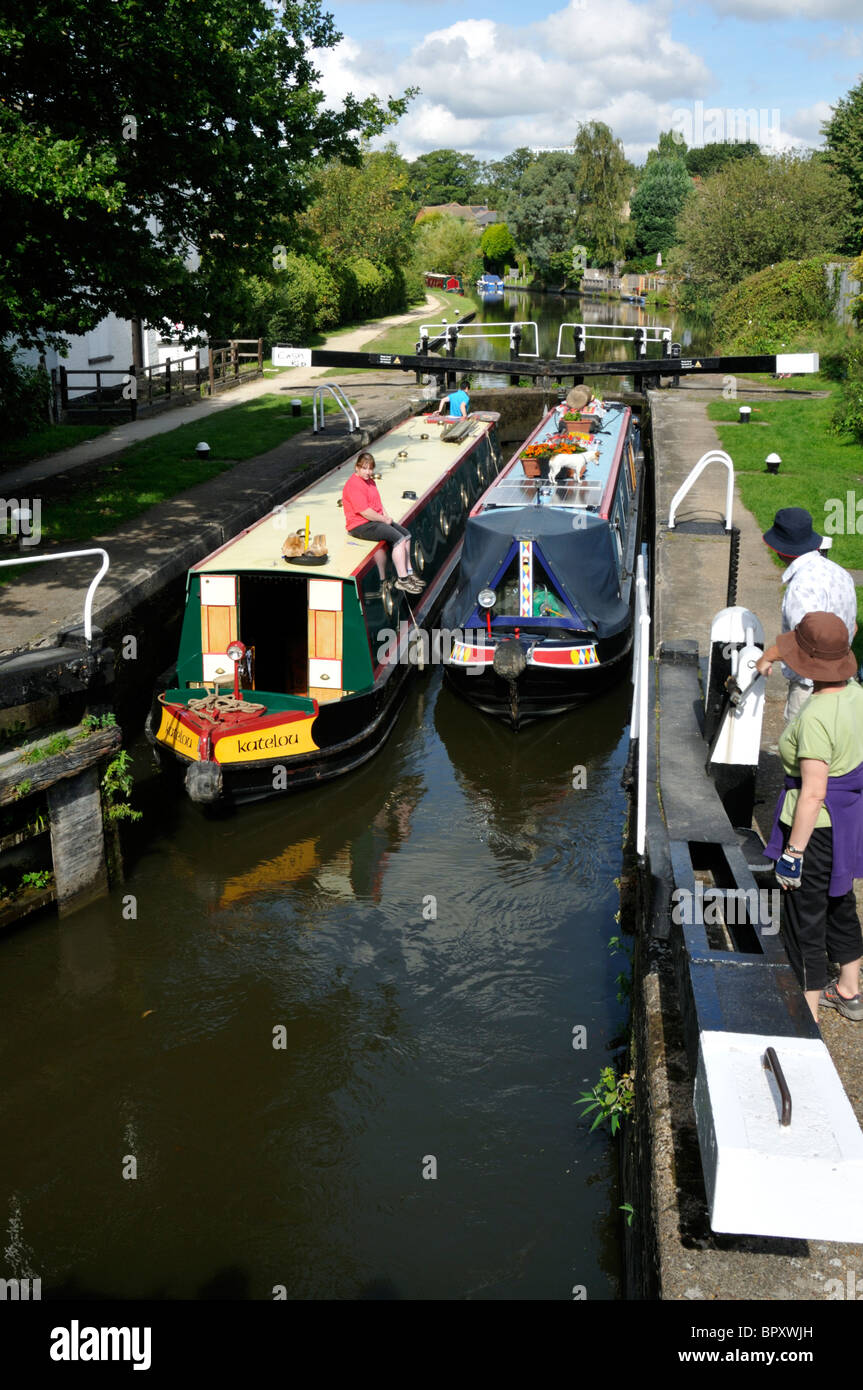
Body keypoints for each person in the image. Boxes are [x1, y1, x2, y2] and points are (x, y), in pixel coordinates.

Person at [760, 612, 863, 1024]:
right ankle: (851, 991)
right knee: (840, 901)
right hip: (848, 820)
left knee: (805, 916)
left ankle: (806, 1015)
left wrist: (793, 854)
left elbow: (814, 791)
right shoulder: (855, 693)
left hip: (815, 828)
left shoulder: (817, 714)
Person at [757, 507, 857, 722]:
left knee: (800, 750)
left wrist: (767, 657)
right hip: (845, 682)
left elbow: (805, 640)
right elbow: (853, 626)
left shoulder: (801, 586)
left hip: (813, 687)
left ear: (778, 549)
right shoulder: (840, 573)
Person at [342, 452, 424, 593]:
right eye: (365, 468)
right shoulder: (354, 485)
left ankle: (409, 572)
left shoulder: (370, 481)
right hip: (360, 525)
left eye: (370, 468)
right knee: (398, 539)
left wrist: (386, 516)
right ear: (357, 468)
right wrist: (383, 520)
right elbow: (365, 512)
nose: (368, 472)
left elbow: (377, 504)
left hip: (374, 520)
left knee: (406, 535)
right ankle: (402, 580)